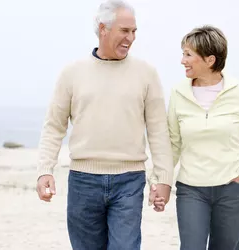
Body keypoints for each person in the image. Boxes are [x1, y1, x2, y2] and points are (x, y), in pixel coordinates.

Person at [35, 0, 174, 249]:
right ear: (103, 28)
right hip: (83, 181)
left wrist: (163, 178)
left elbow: (158, 130)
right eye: (124, 30)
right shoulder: (72, 73)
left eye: (134, 31)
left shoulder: (147, 74)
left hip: (129, 181)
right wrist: (45, 170)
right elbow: (54, 126)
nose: (131, 38)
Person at [155, 25, 239, 249]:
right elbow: (173, 144)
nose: (182, 60)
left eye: (188, 54)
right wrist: (160, 181)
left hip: (232, 190)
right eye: (183, 53)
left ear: (209, 60)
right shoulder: (178, 93)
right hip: (191, 189)